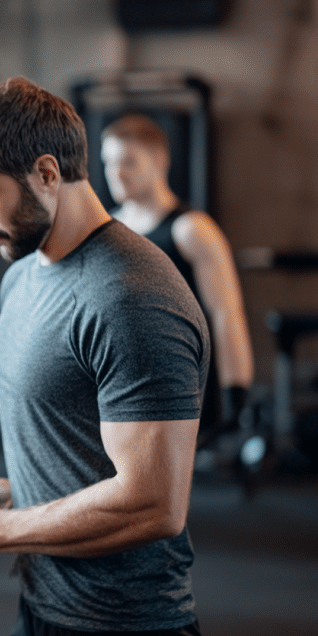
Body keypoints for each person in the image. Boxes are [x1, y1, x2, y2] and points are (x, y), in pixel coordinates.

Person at [0, 77, 209, 636]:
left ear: (48, 173)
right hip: (43, 613)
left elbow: (155, 502)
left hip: (125, 635)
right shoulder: (23, 277)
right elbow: (73, 437)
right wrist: (10, 492)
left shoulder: (131, 296)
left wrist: (1, 530)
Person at [101, 112, 253, 437]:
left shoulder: (191, 229)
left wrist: (235, 394)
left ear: (159, 159)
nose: (117, 173)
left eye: (127, 161)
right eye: (109, 162)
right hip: (124, 389)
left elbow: (226, 312)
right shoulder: (106, 231)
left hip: (181, 390)